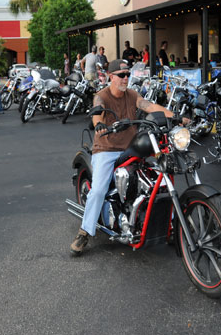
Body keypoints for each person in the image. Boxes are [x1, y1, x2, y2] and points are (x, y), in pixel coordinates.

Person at [70, 59, 178, 256]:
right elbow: (98, 109)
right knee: (99, 190)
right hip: (106, 149)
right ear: (111, 76)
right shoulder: (102, 95)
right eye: (121, 75)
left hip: (130, 148)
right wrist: (99, 123)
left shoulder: (133, 94)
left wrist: (175, 117)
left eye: (128, 74)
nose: (125, 78)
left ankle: (168, 224)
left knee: (157, 179)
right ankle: (85, 231)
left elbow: (150, 106)